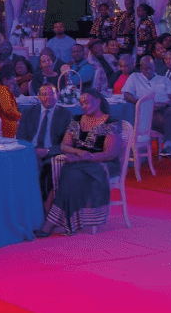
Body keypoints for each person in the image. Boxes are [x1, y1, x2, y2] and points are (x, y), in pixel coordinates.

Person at [35, 90, 122, 236]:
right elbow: (64, 146)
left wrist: (85, 158)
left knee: (71, 173)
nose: (84, 106)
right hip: (78, 161)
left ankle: (50, 221)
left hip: (102, 163)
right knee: (53, 168)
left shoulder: (111, 122)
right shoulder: (77, 119)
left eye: (87, 102)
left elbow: (110, 154)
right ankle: (56, 217)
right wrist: (79, 153)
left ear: (98, 101)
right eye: (81, 103)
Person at [123, 55, 171, 176]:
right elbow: (126, 95)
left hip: (164, 108)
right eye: (144, 68)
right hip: (147, 112)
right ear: (141, 68)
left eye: (150, 68)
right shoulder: (134, 77)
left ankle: (168, 145)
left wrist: (165, 103)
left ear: (155, 67)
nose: (147, 71)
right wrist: (144, 103)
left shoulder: (163, 80)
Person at [17, 83, 68, 201]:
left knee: (47, 169)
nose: (48, 97)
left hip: (52, 153)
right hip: (30, 151)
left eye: (51, 93)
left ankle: (44, 205)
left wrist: (48, 151)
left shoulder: (65, 115)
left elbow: (67, 143)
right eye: (44, 94)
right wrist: (31, 151)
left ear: (57, 95)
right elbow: (20, 137)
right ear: (39, 97)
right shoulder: (29, 113)